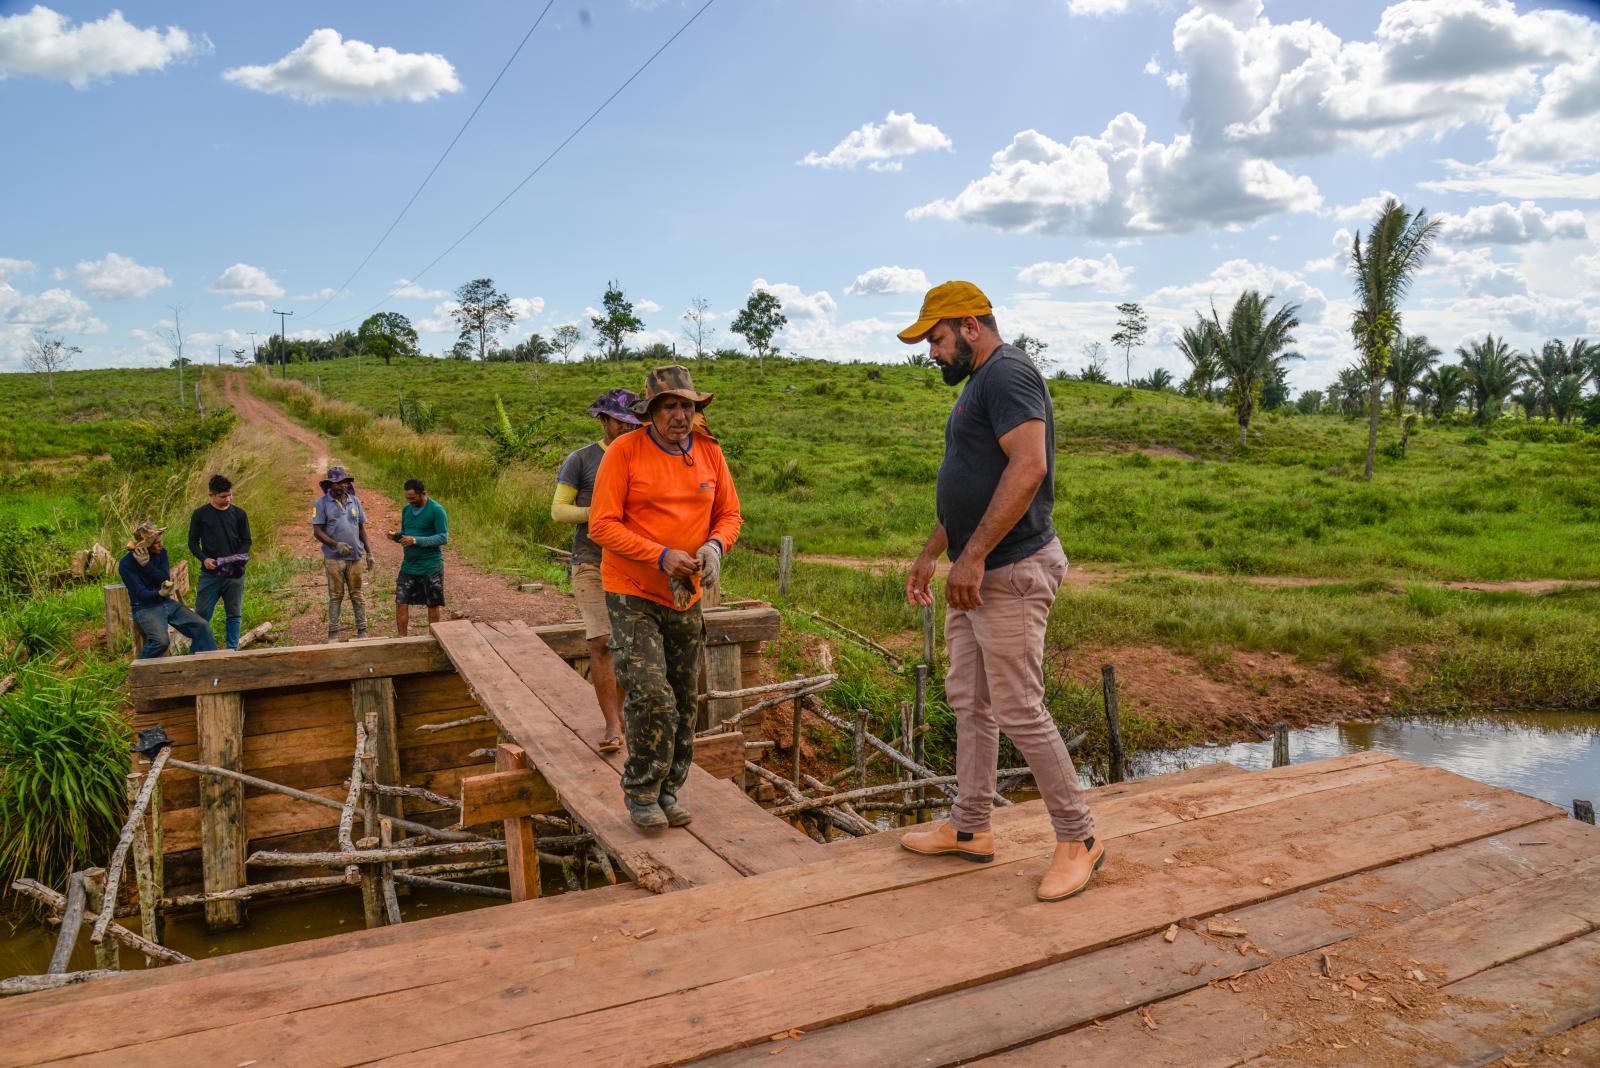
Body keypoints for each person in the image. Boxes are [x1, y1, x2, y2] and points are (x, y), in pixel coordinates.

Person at [897, 281, 1101, 903]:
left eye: (936, 338)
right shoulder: (978, 387)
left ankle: (1080, 839)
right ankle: (970, 827)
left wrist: (976, 555)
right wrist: (935, 552)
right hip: (975, 573)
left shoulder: (1008, 374)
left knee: (1017, 708)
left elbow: (1029, 467)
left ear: (970, 327)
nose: (932, 352)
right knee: (971, 701)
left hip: (1008, 571)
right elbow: (975, 483)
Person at [588, 365, 741, 829]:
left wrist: (715, 546)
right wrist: (659, 555)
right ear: (650, 411)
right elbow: (602, 525)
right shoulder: (624, 452)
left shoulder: (709, 453)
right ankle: (641, 791)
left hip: (686, 592)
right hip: (632, 589)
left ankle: (669, 789)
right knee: (651, 693)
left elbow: (729, 514)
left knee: (682, 695)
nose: (680, 415)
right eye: (670, 406)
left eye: (687, 406)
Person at [551, 388, 641, 753]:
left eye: (632, 422)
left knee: (624, 645)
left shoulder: (642, 457)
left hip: (632, 563)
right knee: (601, 642)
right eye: (619, 421)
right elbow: (559, 510)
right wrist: (600, 515)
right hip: (590, 561)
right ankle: (611, 724)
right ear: (602, 420)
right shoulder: (582, 460)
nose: (625, 427)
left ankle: (619, 715)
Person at [118, 521, 218, 659]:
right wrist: (158, 593)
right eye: (156, 543)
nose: (161, 545)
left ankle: (209, 664)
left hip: (167, 602)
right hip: (145, 607)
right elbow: (140, 593)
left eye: (161, 540)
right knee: (161, 642)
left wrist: (147, 566)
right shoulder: (126, 564)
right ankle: (137, 671)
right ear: (144, 545)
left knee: (202, 626)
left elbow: (164, 578)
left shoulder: (161, 553)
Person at [188, 473, 251, 650]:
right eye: (223, 496)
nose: (228, 499)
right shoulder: (200, 514)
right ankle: (198, 651)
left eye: (230, 495)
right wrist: (204, 559)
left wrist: (238, 558)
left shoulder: (239, 514)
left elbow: (247, 541)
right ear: (211, 495)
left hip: (235, 574)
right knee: (201, 615)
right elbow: (192, 542)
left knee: (234, 614)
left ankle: (232, 650)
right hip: (210, 574)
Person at [311, 465, 372, 641]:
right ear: (330, 485)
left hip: (355, 557)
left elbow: (361, 528)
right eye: (336, 483)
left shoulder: (355, 501)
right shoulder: (321, 503)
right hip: (334, 558)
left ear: (347, 483)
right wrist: (335, 544)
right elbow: (317, 531)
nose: (340, 486)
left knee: (357, 594)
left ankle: (362, 631)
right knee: (336, 596)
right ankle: (333, 634)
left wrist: (370, 553)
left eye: (343, 483)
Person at [392, 478, 448, 635]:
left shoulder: (436, 510)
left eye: (413, 498)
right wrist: (397, 536)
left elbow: (443, 537)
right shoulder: (406, 510)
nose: (410, 502)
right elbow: (406, 533)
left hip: (430, 566)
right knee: (401, 602)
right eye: (407, 499)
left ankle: (434, 638)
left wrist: (416, 540)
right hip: (409, 566)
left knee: (432, 603)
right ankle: (402, 639)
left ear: (423, 494)